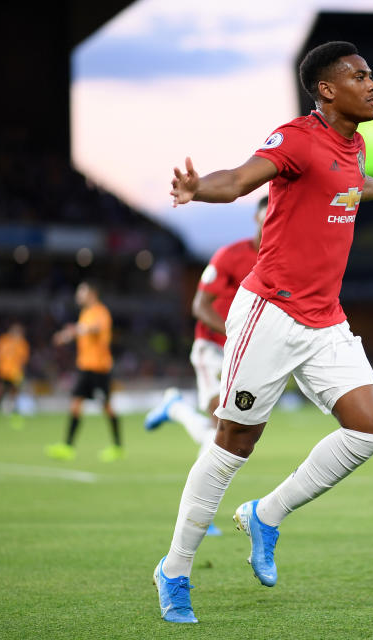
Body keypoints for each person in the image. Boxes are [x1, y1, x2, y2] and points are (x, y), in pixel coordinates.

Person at [152, 40, 373, 624]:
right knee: (233, 446)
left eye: (371, 75)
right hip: (270, 311)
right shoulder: (298, 137)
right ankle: (174, 570)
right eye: (360, 76)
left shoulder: (355, 145)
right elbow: (241, 178)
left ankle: (266, 515)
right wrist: (200, 188)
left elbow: (351, 184)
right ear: (327, 89)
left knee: (368, 431)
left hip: (326, 318)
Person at [145, 197, 267, 535]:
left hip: (241, 353)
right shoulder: (230, 255)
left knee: (226, 430)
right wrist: (231, 336)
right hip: (212, 348)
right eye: (267, 213)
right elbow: (200, 305)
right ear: (257, 217)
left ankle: (177, 408)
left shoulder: (276, 262)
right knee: (221, 424)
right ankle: (200, 513)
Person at [46, 282, 123, 461]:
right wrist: (67, 336)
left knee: (107, 407)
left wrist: (76, 330)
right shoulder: (85, 313)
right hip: (85, 366)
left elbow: (95, 328)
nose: (78, 295)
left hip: (99, 368)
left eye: (81, 291)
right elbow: (81, 332)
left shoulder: (100, 311)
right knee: (75, 403)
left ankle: (118, 446)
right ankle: (67, 446)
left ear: (92, 293)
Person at [0, 323, 30, 429]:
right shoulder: (3, 340)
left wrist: (22, 373)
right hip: (2, 371)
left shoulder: (22, 343)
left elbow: (23, 360)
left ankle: (15, 415)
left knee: (14, 394)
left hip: (15, 373)